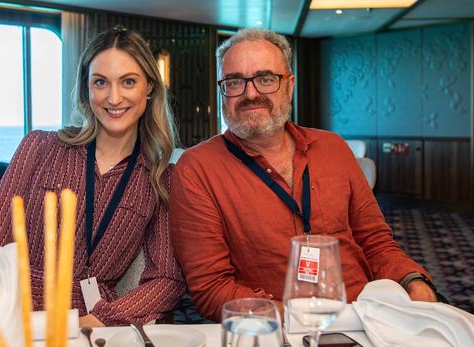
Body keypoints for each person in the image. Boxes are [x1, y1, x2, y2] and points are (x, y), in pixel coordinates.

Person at [169, 28, 437, 322]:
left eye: (266, 79)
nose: (251, 93)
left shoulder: (333, 148)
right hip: (274, 330)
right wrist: (299, 319)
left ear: (289, 85)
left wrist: (412, 279)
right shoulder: (197, 169)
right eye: (234, 82)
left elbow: (374, 240)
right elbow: (211, 289)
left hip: (365, 317)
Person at [0, 26, 185, 327]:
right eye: (100, 82)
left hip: (89, 325)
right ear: (86, 89)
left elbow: (167, 279)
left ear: (148, 87)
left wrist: (99, 320)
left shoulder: (161, 178)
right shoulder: (39, 147)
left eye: (128, 82)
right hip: (14, 315)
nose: (114, 97)